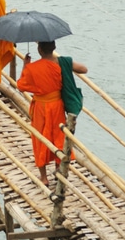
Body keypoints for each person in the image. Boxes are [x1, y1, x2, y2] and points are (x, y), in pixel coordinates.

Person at [17, 41, 88, 186]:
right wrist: (66, 65)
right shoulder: (62, 63)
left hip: (41, 107)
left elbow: (21, 86)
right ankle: (58, 169)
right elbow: (84, 69)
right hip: (57, 106)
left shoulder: (33, 68)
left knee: (40, 137)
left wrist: (26, 65)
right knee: (58, 136)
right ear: (54, 48)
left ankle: (43, 178)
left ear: (39, 50)